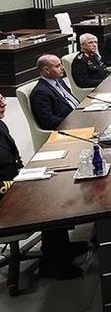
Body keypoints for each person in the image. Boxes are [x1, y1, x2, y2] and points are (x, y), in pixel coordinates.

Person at [0, 94, 87, 280]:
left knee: (57, 184)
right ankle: (53, 265)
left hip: (12, 184)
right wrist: (18, 184)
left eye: (2, 98)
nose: (3, 102)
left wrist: (26, 173)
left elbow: (14, 160)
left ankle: (61, 247)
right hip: (3, 198)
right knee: (49, 199)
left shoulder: (1, 125)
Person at [30, 54, 79, 130]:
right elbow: (48, 121)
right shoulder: (40, 92)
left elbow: (70, 99)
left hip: (77, 114)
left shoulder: (59, 81)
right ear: (47, 70)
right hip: (66, 126)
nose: (62, 68)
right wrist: (74, 120)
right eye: (57, 66)